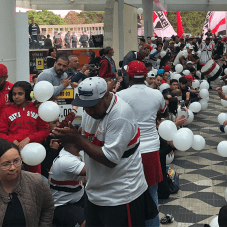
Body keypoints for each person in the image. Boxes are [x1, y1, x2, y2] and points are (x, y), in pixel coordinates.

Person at [51, 77, 157, 226]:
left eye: (93, 105)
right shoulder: (91, 110)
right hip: (95, 193)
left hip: (121, 196)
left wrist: (77, 140)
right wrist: (69, 139)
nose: (89, 110)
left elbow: (110, 159)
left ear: (106, 95)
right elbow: (90, 143)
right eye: (85, 106)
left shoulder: (120, 115)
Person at [116, 61, 167, 227]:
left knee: (129, 194)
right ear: (146, 76)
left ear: (128, 76)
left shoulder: (121, 96)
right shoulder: (157, 94)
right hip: (151, 147)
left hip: (129, 149)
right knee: (152, 192)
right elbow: (160, 112)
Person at [0, 142, 54, 226]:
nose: (12, 168)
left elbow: (48, 207)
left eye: (16, 161)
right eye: (6, 164)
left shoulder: (36, 181)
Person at [0, 81, 50, 173]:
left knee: (33, 180)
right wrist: (12, 140)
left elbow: (45, 130)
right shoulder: (6, 111)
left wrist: (29, 138)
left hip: (33, 153)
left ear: (29, 94)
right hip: (12, 152)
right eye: (14, 94)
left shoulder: (38, 109)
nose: (16, 97)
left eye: (20, 94)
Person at [49, 142, 86, 227]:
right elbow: (94, 171)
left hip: (78, 197)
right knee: (87, 223)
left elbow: (86, 179)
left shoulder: (73, 152)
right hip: (61, 205)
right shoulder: (67, 160)